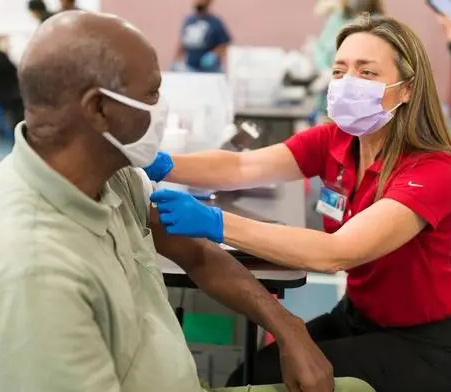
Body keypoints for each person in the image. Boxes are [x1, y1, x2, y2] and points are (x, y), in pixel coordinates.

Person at [0, 10, 373, 392]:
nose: (162, 108)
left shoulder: (113, 171)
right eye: (152, 94)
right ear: (99, 109)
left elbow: (197, 255)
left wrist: (287, 326)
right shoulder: (35, 270)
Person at [146, 15, 451, 392]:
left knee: (282, 379)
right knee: (255, 371)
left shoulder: (432, 171)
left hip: (423, 343)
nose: (347, 82)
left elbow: (337, 253)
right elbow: (242, 165)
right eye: (339, 70)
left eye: (366, 72)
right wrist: (163, 163)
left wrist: (215, 221)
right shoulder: (336, 142)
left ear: (406, 89)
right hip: (357, 314)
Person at [311, 0, 385, 117]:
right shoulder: (336, 19)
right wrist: (326, 72)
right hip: (328, 95)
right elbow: (321, 49)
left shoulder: (380, 23)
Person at [173, 0, 231, 73]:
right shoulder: (189, 21)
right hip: (190, 68)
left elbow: (224, 44)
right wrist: (176, 61)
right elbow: (182, 43)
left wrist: (213, 55)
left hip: (209, 70)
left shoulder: (215, 22)